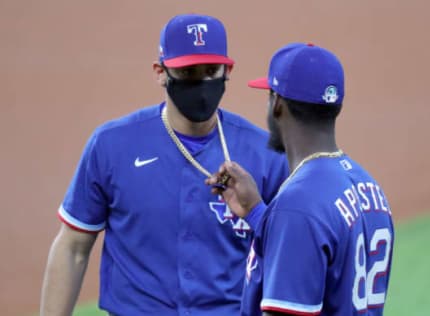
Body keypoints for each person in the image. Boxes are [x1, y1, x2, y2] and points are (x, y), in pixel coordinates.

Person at [39, 14, 288, 316]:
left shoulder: (266, 155)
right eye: (188, 72)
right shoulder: (112, 145)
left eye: (211, 71)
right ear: (160, 72)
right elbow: (73, 248)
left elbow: (288, 256)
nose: (201, 83)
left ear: (228, 70)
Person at [206, 43, 395, 315]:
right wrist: (259, 214)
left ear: (278, 104)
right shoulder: (369, 188)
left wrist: (280, 216)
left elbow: (305, 224)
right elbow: (325, 262)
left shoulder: (297, 205)